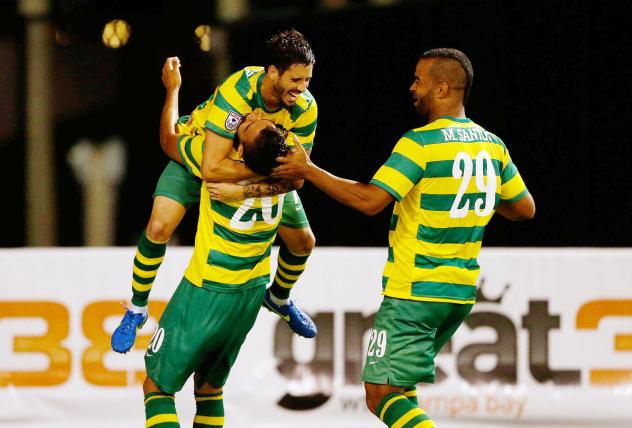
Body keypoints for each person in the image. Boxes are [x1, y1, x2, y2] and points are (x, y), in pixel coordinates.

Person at [272, 48, 535, 428]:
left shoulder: (420, 143)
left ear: (442, 88)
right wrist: (477, 196)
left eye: (418, 80)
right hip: (457, 293)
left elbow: (370, 201)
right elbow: (524, 208)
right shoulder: (492, 145)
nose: (412, 87)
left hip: (415, 291)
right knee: (402, 390)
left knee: (379, 395)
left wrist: (308, 170)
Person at [111, 29, 319, 355]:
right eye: (296, 79)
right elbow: (207, 166)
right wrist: (174, 90)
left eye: (307, 79)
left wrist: (248, 187)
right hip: (203, 163)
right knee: (158, 227)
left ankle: (278, 297)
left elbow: (297, 176)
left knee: (304, 242)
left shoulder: (305, 108)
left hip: (250, 168)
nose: (302, 89)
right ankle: (137, 309)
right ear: (272, 72)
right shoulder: (237, 95)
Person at [142, 57, 297, 428]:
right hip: (251, 294)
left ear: (239, 151)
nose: (251, 114)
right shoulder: (283, 186)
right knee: (210, 389)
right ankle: (284, 298)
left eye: (250, 124)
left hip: (207, 289)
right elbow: (302, 238)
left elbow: (168, 140)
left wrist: (173, 90)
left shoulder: (215, 169)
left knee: (157, 387)